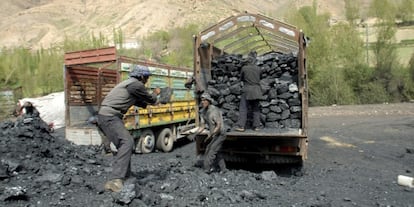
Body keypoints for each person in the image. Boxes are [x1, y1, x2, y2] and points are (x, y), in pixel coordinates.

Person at [97, 65, 160, 192]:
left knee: (124, 144)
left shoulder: (129, 85)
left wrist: (155, 102)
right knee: (127, 142)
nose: (147, 80)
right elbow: (150, 99)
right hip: (110, 116)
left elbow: (141, 103)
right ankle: (116, 180)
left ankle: (125, 176)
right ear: (141, 76)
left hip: (106, 115)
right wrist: (156, 94)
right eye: (146, 77)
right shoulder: (135, 85)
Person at [189, 92, 226, 173]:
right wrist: (195, 134)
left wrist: (211, 134)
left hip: (220, 134)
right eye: (202, 100)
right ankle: (223, 169)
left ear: (209, 101)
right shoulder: (203, 112)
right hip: (214, 134)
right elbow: (202, 126)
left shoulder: (214, 111)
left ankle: (207, 169)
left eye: (205, 100)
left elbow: (218, 125)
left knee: (211, 150)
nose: (202, 102)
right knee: (215, 150)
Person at [234, 52, 263, 132]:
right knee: (256, 109)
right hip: (256, 90)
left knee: (243, 108)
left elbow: (241, 78)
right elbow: (260, 77)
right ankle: (257, 126)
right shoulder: (258, 68)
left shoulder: (244, 68)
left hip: (246, 90)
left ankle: (241, 126)